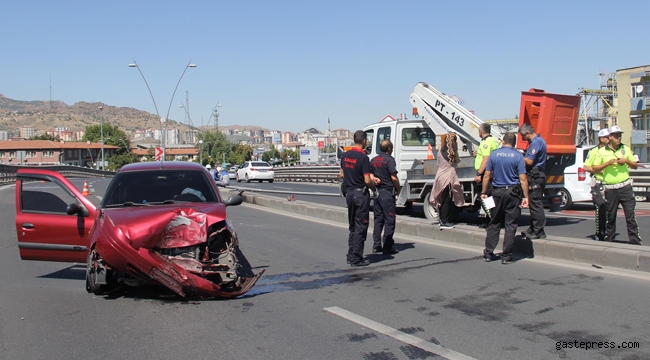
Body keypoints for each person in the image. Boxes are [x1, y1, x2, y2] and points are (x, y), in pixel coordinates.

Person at [481, 133, 529, 264]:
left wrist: (484, 192)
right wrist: (526, 196)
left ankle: (488, 254)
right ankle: (506, 256)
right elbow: (523, 178)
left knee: (494, 223)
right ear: (514, 143)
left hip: (496, 193)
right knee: (510, 225)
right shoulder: (518, 156)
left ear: (503, 141)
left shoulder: (494, 154)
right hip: (513, 193)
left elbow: (487, 175)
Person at [589, 125, 642, 245]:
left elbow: (634, 165)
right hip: (611, 188)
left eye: (620, 135)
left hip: (625, 186)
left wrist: (627, 161)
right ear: (610, 137)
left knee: (630, 214)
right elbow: (594, 168)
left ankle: (635, 240)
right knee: (611, 215)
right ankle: (610, 238)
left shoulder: (625, 148)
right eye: (616, 135)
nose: (619, 137)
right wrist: (607, 163)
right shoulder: (602, 151)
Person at [340, 130, 377, 267]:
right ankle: (356, 258)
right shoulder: (363, 158)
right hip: (360, 195)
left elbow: (342, 174)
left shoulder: (345, 155)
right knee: (361, 226)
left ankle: (350, 255)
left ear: (354, 139)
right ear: (364, 141)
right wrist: (374, 189)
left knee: (353, 226)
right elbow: (367, 179)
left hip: (349, 193)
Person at [370, 139, 401, 255]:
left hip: (377, 193)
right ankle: (388, 246)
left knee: (378, 219)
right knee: (389, 220)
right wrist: (398, 189)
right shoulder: (389, 160)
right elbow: (393, 177)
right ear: (389, 149)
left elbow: (369, 174)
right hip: (387, 193)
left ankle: (376, 245)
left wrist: (374, 179)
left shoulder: (373, 160)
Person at [429, 132, 464, 229]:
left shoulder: (441, 151)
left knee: (441, 199)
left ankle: (441, 219)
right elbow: (458, 161)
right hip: (448, 177)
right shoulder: (452, 153)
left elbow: (438, 163)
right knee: (447, 200)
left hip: (440, 176)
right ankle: (445, 221)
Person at [518, 123, 547, 239]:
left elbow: (529, 161)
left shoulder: (536, 143)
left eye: (523, 137)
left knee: (535, 203)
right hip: (536, 175)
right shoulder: (538, 141)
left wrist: (519, 156)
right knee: (534, 204)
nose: (523, 139)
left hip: (535, 176)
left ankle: (538, 231)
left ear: (527, 134)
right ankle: (533, 228)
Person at [583, 128, 610, 241]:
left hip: (611, 183)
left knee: (610, 210)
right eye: (607, 137)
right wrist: (599, 170)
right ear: (601, 139)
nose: (609, 139)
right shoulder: (594, 151)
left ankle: (609, 232)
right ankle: (600, 232)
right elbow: (586, 167)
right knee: (600, 208)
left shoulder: (612, 150)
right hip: (598, 183)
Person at [473, 123, 501, 228]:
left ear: (481, 131)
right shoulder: (493, 140)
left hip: (486, 173)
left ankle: (492, 219)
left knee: (484, 197)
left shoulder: (486, 142)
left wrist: (479, 173)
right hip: (493, 172)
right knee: (490, 198)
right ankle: (489, 219)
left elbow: (486, 159)